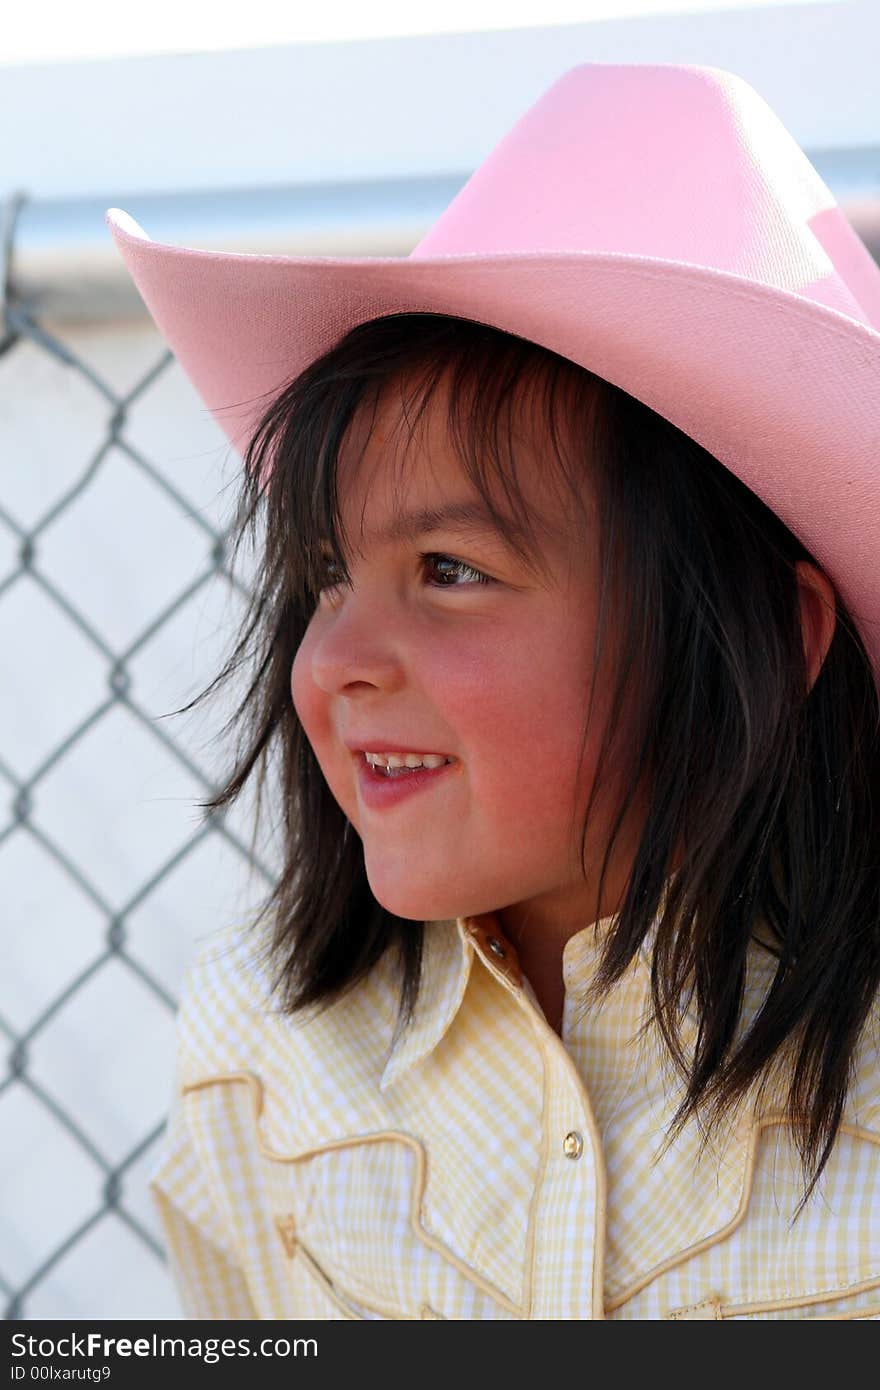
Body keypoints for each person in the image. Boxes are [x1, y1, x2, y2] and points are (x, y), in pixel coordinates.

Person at [106, 61, 880, 1319]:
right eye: (324, 573)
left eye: (451, 569)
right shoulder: (263, 1051)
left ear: (766, 637)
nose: (332, 656)